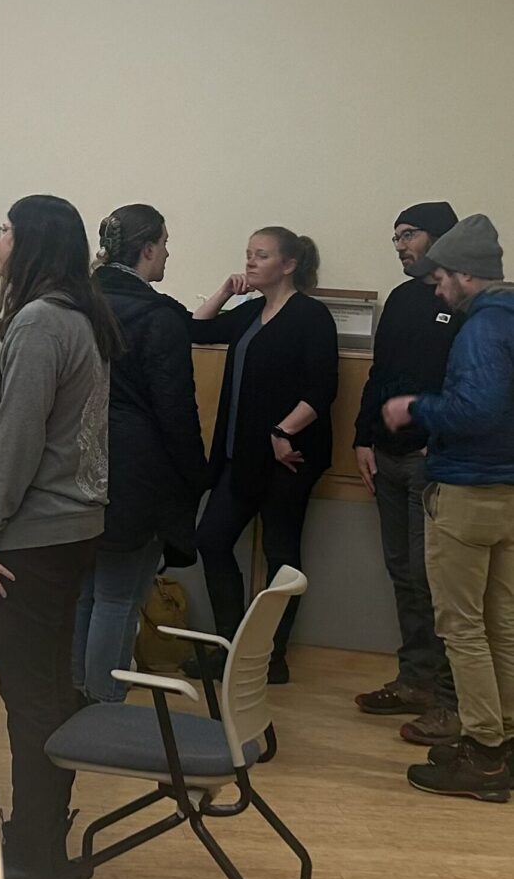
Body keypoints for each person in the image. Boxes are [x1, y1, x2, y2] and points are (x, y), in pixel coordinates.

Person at [0, 194, 118, 879]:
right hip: (68, 530)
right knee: (47, 693)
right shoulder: (78, 316)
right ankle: (41, 834)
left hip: (30, 538)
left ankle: (31, 855)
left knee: (29, 699)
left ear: (29, 246)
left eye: (4, 230)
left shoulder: (38, 323)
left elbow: (16, 441)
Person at [382, 215, 514, 803]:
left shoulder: (483, 330)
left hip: (467, 494)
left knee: (460, 627)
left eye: (441, 278)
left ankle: (484, 756)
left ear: (465, 274)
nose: (436, 289)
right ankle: (502, 741)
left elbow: (478, 411)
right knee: (500, 626)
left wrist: (418, 407)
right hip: (507, 495)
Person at [188, 226, 338, 685]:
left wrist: (283, 430)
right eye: (248, 254)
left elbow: (322, 388)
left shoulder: (312, 316)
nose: (251, 263)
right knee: (211, 540)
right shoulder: (250, 312)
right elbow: (196, 328)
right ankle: (230, 646)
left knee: (281, 556)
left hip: (287, 458)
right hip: (239, 456)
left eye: (262, 256)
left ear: (289, 265)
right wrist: (224, 291)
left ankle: (271, 658)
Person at [72, 204, 206, 703]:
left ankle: (75, 691)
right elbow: (176, 410)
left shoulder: (72, 305)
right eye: (165, 243)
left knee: (85, 590)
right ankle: (104, 702)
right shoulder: (158, 317)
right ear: (147, 249)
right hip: (137, 471)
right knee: (119, 596)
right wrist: (197, 474)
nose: (168, 252)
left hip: (75, 464)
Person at [353, 202, 461, 746]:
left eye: (409, 235)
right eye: (394, 235)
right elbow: (379, 374)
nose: (399, 244)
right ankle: (416, 681)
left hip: (433, 461)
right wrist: (362, 437)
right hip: (387, 457)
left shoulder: (463, 302)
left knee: (432, 579)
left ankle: (449, 701)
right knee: (403, 573)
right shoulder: (400, 299)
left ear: (440, 238)